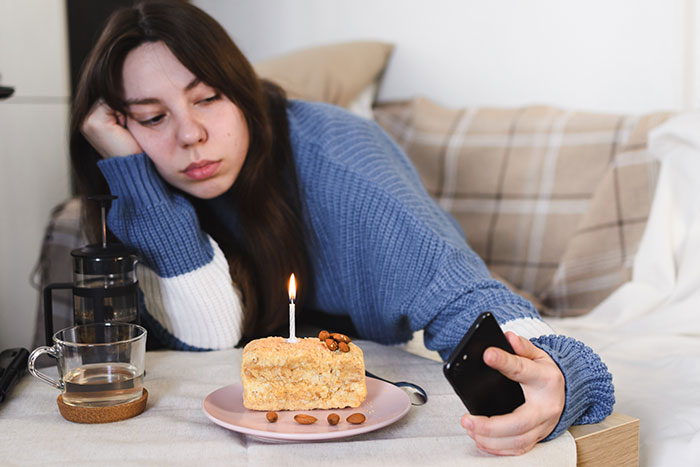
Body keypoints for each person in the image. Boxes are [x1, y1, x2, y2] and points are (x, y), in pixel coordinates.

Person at [70, 0, 613, 456]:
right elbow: (208, 337)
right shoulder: (133, 188)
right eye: (152, 116)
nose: (191, 134)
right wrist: (135, 179)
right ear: (117, 129)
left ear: (241, 89)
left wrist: (559, 372)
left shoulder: (340, 160)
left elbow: (460, 294)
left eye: (208, 97)